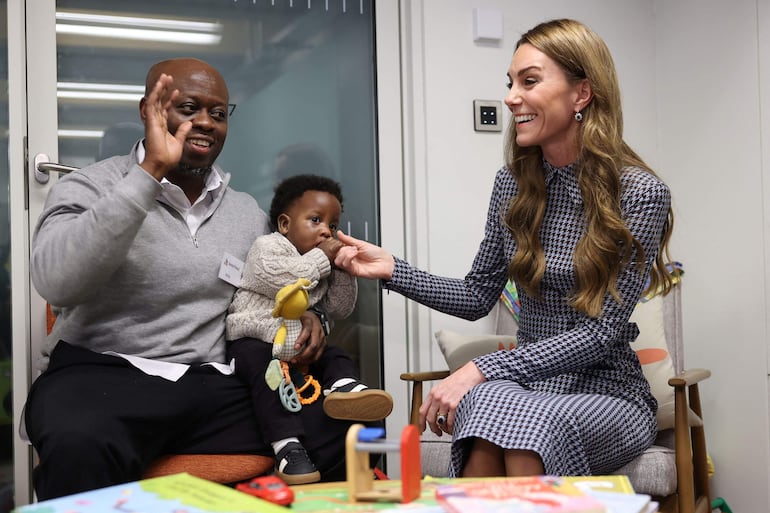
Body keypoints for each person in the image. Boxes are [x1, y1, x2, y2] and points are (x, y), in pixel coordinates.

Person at [334, 18, 676, 478]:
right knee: (485, 412)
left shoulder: (639, 193)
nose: (512, 96)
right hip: (527, 383)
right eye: (510, 83)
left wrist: (482, 367)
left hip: (608, 393)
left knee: (516, 419)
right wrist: (394, 269)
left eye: (529, 81)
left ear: (582, 94)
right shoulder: (513, 185)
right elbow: (478, 294)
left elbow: (600, 334)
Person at [24, 57, 355, 500]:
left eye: (218, 113)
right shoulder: (90, 187)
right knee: (78, 442)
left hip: (213, 381)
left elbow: (277, 285)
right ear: (149, 111)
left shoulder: (246, 213)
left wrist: (313, 317)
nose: (205, 122)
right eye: (188, 108)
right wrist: (149, 175)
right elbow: (56, 281)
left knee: (339, 425)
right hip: (104, 375)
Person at [225, 173, 392, 485]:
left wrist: (343, 270)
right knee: (266, 372)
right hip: (254, 339)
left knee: (336, 353)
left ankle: (345, 388)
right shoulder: (268, 247)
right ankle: (287, 447)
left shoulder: (322, 264)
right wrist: (323, 259)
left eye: (332, 224)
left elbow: (339, 308)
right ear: (285, 224)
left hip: (295, 342)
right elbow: (287, 281)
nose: (326, 231)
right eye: (315, 220)